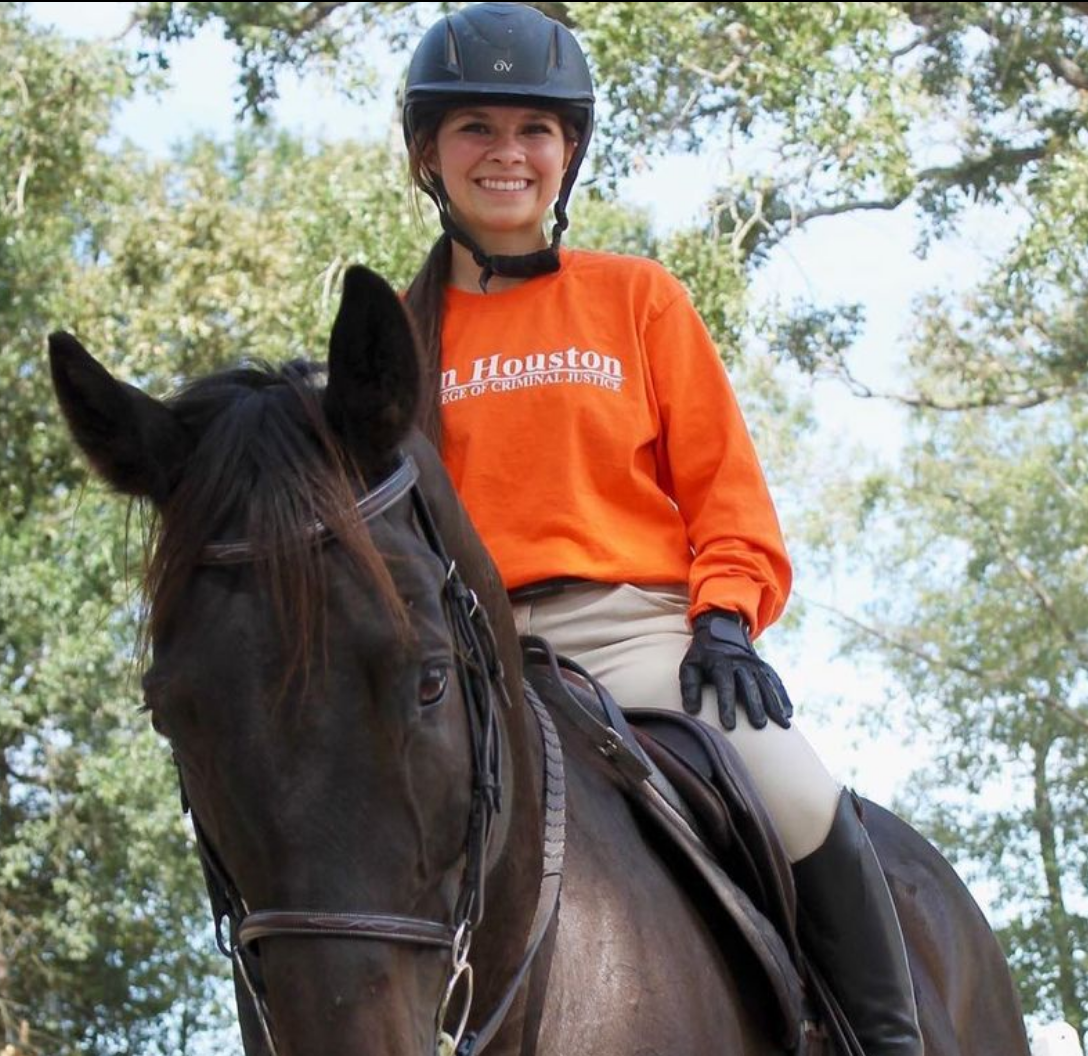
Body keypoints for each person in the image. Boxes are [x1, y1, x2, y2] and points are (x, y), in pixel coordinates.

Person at [399, 5, 922, 1055]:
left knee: (798, 789)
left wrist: (724, 619)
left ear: (570, 151)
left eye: (533, 131)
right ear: (428, 155)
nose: (508, 154)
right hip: (469, 656)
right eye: (476, 129)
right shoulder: (404, 336)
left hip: (634, 635)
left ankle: (886, 1041)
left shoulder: (636, 299)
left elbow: (723, 483)